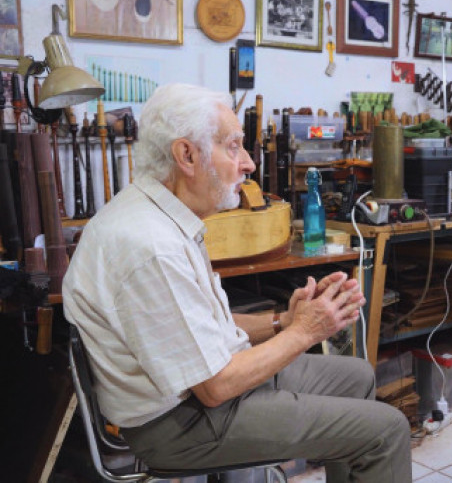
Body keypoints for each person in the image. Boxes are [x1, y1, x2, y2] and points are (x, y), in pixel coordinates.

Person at [63, 83, 412, 482]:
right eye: (233, 147)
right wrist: (305, 331)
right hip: (180, 423)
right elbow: (216, 386)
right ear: (186, 155)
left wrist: (283, 321)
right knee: (387, 431)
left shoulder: (161, 217)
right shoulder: (150, 245)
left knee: (357, 376)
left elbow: (199, 326)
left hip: (199, 394)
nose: (248, 163)